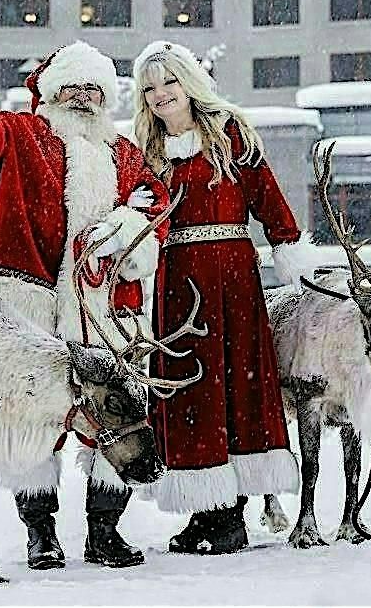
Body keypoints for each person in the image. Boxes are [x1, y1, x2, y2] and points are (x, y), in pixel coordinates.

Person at [0, 19, 171, 570]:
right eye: (72, 87)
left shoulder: (125, 153)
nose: (83, 97)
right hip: (29, 303)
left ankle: (105, 531)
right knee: (30, 416)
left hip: (105, 310)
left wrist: (129, 224)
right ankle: (40, 531)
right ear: (53, 93)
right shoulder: (21, 136)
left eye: (93, 89)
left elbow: (154, 202)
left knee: (118, 411)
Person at [131, 40, 314, 554]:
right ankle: (206, 509)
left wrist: (287, 245)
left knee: (234, 386)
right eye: (150, 87)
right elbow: (136, 217)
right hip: (178, 288)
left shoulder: (230, 134)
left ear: (189, 83)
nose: (161, 94)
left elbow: (267, 197)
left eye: (169, 81)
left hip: (232, 280)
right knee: (191, 389)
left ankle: (229, 516)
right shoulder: (145, 152)